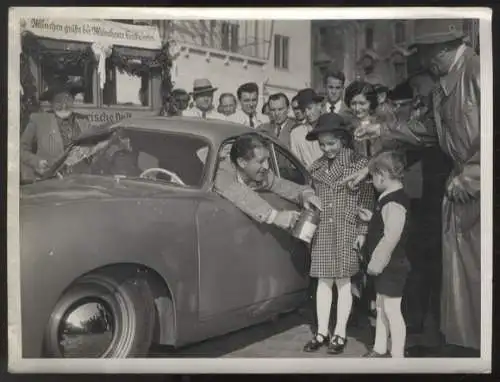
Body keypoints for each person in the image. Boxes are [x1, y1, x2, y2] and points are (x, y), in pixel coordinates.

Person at [344, 20, 481, 355]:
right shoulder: (443, 83)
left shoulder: (479, 71)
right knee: (461, 274)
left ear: (445, 47)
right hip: (460, 190)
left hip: (476, 187)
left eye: (427, 53)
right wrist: (381, 131)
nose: (423, 62)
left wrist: (474, 173)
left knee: (477, 271)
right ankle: (464, 346)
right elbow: (425, 130)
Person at [302, 113, 374, 355]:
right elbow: (313, 199)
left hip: (346, 229)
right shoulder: (316, 167)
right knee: (323, 281)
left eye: (331, 143)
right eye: (322, 144)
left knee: (344, 282)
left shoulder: (358, 165)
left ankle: (340, 332)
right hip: (323, 231)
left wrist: (362, 231)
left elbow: (365, 201)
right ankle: (322, 331)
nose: (327, 148)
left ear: (343, 139)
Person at [360, 151, 411, 358]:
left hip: (391, 266)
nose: (372, 182)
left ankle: (397, 355)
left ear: (381, 175)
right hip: (387, 266)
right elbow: (387, 226)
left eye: (372, 177)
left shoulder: (393, 202)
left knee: (391, 310)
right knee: (381, 308)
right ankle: (380, 348)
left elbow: (391, 237)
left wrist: (376, 263)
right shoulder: (389, 200)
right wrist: (372, 217)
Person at [214, 133, 321, 230]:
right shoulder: (220, 172)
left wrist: (306, 195)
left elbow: (283, 185)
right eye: (261, 161)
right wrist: (274, 216)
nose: (266, 167)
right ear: (242, 162)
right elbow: (239, 193)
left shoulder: (264, 176)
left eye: (268, 160)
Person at [20, 81, 92, 181]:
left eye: (68, 100)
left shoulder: (84, 121)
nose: (64, 105)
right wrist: (37, 162)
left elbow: (95, 149)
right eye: (59, 101)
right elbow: (21, 150)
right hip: (50, 183)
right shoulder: (39, 120)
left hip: (81, 182)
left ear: (73, 100)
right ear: (51, 103)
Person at [289, 89, 324, 169]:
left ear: (319, 105)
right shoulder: (295, 133)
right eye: (304, 110)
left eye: (310, 108)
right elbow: (295, 165)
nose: (307, 113)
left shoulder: (330, 127)